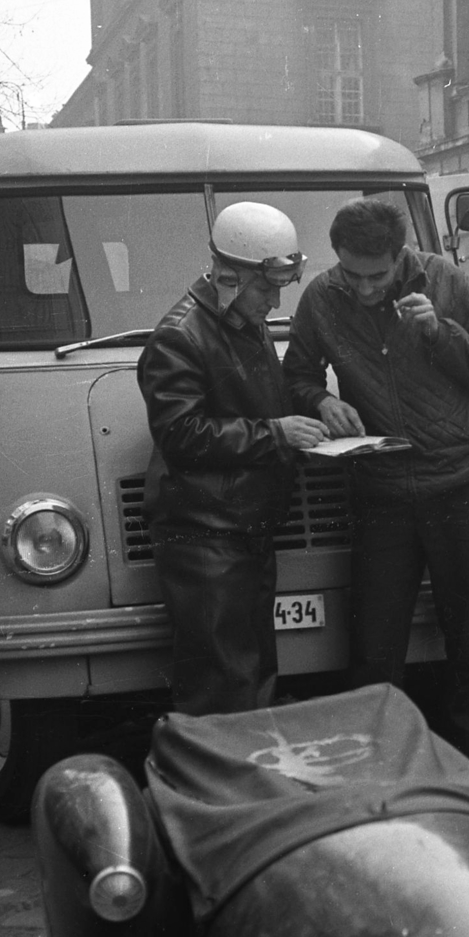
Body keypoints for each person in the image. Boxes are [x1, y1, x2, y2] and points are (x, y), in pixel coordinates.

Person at [282, 198, 469, 768]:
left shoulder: (443, 279)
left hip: (460, 484)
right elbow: (298, 374)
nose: (363, 288)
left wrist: (439, 331)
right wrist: (322, 400)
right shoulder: (321, 297)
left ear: (400, 255)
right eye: (351, 274)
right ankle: (380, 776)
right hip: (381, 492)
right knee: (374, 649)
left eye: (377, 277)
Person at [137, 201, 328, 715]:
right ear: (229, 277)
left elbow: (257, 404)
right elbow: (180, 434)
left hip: (239, 527)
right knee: (223, 681)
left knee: (251, 672)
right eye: (266, 289)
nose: (274, 300)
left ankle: (245, 762)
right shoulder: (179, 337)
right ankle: (221, 764)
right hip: (206, 535)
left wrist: (313, 418)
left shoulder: (242, 320)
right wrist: (277, 434)